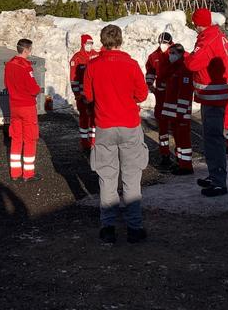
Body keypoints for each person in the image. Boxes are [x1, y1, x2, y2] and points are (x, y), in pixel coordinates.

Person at [83, 24, 150, 244]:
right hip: (129, 126)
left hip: (104, 126)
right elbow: (141, 95)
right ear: (120, 41)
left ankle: (108, 227)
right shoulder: (130, 64)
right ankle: (134, 228)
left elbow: (88, 96)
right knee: (132, 178)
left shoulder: (93, 66)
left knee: (107, 177)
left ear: (102, 41)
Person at [184, 8, 228, 197]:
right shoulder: (217, 35)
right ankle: (215, 175)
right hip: (215, 94)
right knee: (212, 137)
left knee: (213, 139)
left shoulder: (207, 39)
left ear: (197, 23)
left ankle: (219, 181)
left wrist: (185, 56)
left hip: (212, 95)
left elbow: (193, 63)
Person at [4, 38, 43, 182]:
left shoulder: (9, 65)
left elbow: (6, 84)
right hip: (27, 106)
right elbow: (32, 87)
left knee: (16, 138)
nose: (30, 52)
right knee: (30, 139)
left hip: (14, 106)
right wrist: (38, 89)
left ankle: (15, 173)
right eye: (30, 50)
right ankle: (28, 173)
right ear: (26, 50)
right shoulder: (25, 66)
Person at [161, 44, 195, 175]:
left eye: (173, 53)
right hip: (174, 112)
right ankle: (181, 163)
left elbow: (185, 92)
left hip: (181, 112)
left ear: (180, 53)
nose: (170, 55)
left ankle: (186, 166)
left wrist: (181, 112)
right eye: (170, 53)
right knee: (178, 139)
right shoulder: (173, 68)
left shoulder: (184, 68)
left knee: (184, 139)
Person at [146, 32, 175, 167]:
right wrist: (150, 84)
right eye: (160, 43)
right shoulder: (154, 56)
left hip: (174, 96)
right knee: (162, 127)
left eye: (164, 43)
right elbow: (150, 70)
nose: (162, 46)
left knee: (177, 127)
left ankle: (181, 157)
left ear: (170, 43)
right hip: (161, 96)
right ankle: (165, 155)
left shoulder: (178, 54)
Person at [70, 34, 100, 150]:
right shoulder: (76, 58)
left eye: (91, 43)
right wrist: (77, 94)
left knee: (94, 117)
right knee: (84, 117)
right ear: (82, 44)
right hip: (82, 95)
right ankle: (84, 142)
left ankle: (93, 141)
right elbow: (73, 79)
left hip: (94, 94)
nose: (89, 46)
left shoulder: (96, 55)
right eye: (87, 43)